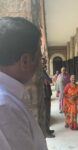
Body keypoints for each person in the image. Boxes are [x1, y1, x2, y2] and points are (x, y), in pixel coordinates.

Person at [0, 17, 47, 150]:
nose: (41, 64)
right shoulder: (5, 108)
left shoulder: (9, 98)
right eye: (39, 57)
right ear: (25, 61)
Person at [41, 57, 55, 138]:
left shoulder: (43, 71)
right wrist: (48, 81)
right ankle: (46, 132)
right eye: (42, 63)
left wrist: (48, 81)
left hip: (47, 94)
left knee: (48, 114)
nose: (44, 64)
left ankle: (47, 129)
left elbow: (49, 81)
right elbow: (49, 81)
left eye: (44, 63)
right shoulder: (40, 72)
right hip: (44, 95)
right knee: (45, 114)